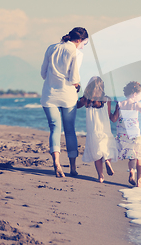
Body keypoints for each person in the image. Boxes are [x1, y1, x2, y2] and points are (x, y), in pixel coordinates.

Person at [41, 27, 89, 178]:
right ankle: (73, 168)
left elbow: (43, 73)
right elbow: (74, 78)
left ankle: (56, 162)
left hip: (49, 95)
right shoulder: (75, 52)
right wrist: (78, 86)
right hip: (68, 96)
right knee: (69, 131)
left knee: (55, 128)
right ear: (79, 40)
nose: (83, 46)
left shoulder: (51, 48)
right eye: (84, 43)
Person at [77, 76, 117, 183]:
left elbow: (75, 106)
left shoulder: (86, 100)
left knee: (97, 155)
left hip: (93, 131)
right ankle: (108, 162)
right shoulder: (107, 99)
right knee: (106, 150)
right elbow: (110, 116)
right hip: (105, 130)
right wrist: (118, 108)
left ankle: (101, 176)